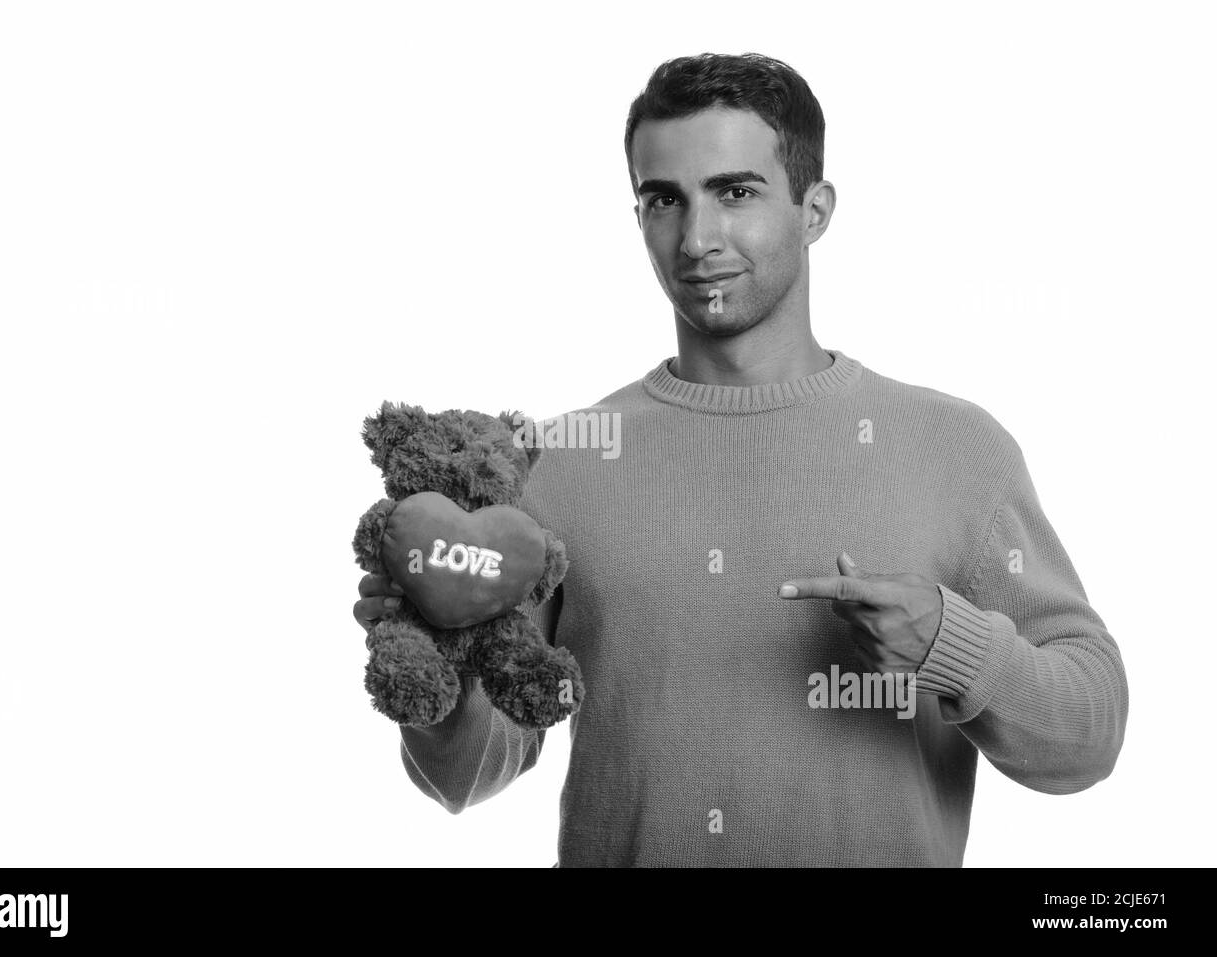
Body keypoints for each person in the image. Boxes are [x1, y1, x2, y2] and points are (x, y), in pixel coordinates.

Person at [354, 52, 1128, 867]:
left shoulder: (956, 449)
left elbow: (1090, 735)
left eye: (736, 192)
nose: (697, 239)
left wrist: (952, 643)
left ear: (815, 209)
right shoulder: (560, 462)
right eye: (664, 200)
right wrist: (437, 678)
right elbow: (470, 775)